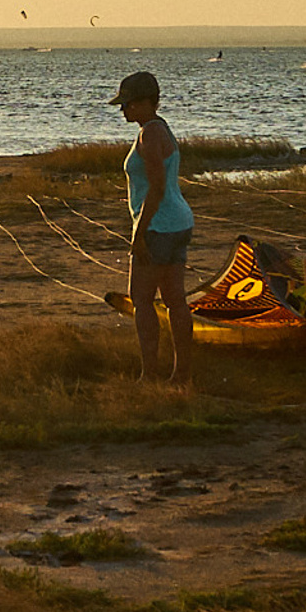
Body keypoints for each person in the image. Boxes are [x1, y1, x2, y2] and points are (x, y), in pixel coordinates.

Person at [115, 69, 195, 390]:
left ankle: (149, 375)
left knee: (142, 300)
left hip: (159, 226)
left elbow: (157, 188)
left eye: (129, 104)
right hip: (179, 222)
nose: (124, 110)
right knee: (176, 301)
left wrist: (139, 233)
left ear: (148, 102)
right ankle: (182, 375)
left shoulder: (149, 134)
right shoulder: (161, 129)